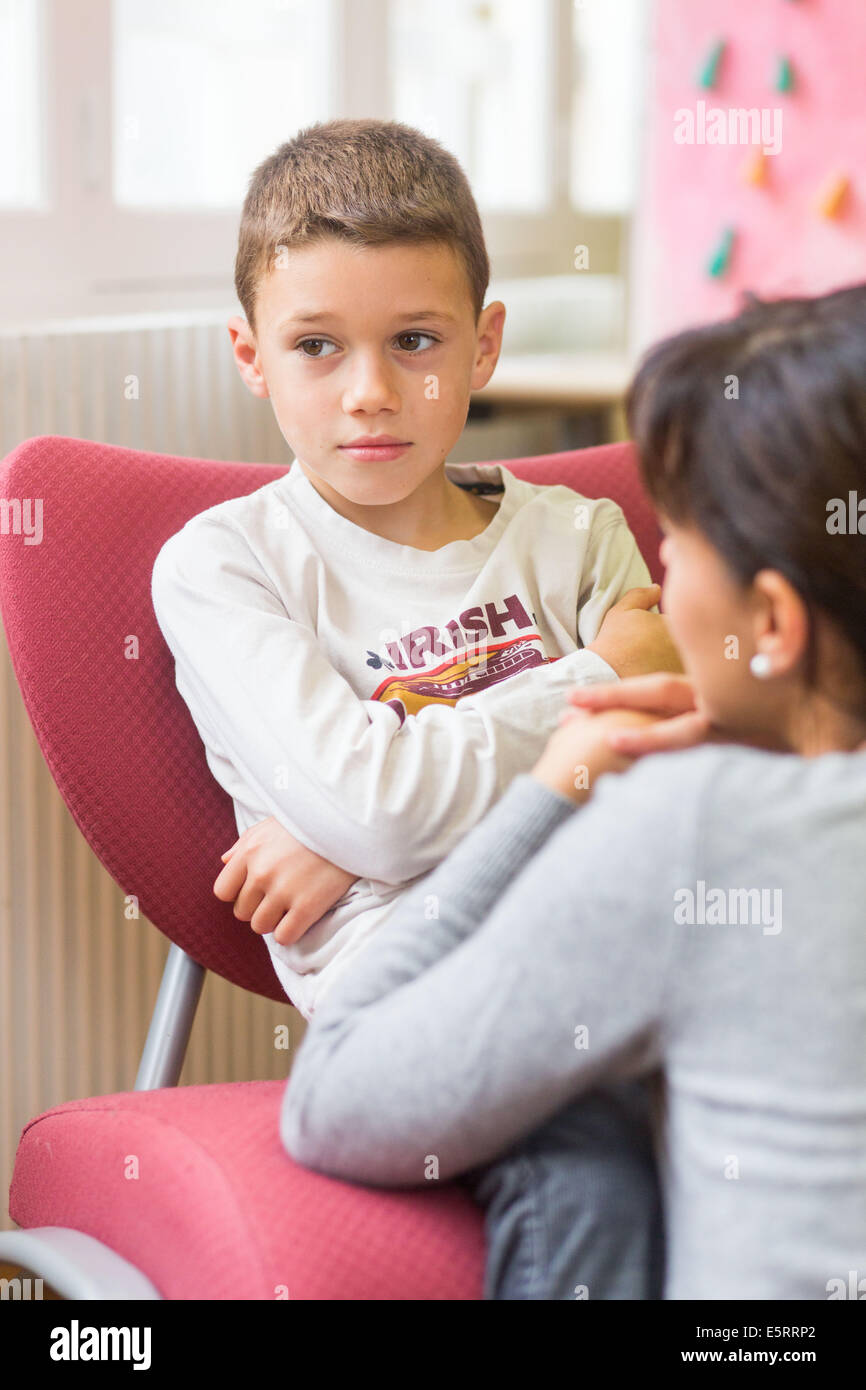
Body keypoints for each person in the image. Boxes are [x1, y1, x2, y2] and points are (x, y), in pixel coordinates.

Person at [150, 118, 680, 1300]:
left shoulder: (572, 531)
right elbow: (383, 810)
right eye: (317, 347)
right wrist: (592, 690)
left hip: (618, 947)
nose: (372, 393)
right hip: (420, 1004)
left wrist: (343, 826)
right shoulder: (222, 564)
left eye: (417, 341)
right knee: (591, 1170)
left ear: (484, 343)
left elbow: (679, 728)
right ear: (250, 354)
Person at [280, 282, 866, 1301]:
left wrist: (549, 789)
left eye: (677, 541)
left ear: (768, 623)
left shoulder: (697, 827)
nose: (658, 576)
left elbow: (335, 1096)